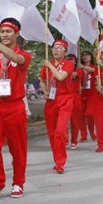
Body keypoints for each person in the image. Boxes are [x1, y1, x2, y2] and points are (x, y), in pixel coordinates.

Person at [0, 18, 32, 197]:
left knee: (17, 148)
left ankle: (18, 183)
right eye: (2, 31)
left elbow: (16, 59)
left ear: (17, 34)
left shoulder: (24, 55)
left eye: (8, 31)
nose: (4, 35)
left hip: (14, 106)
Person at [40, 40, 74, 173]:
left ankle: (61, 163)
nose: (56, 50)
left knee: (60, 131)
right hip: (51, 100)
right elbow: (42, 80)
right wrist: (44, 90)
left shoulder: (69, 64)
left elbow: (60, 77)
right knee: (52, 133)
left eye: (59, 48)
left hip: (65, 99)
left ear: (65, 51)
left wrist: (50, 65)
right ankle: (57, 159)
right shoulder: (47, 66)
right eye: (54, 48)